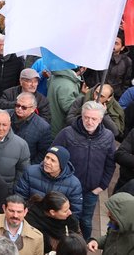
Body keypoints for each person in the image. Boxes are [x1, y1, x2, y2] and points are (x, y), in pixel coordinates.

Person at [53, 101, 116, 239]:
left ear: (100, 119)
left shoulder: (108, 136)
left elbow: (110, 163)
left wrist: (102, 186)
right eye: (86, 117)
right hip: (67, 189)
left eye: (94, 119)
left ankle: (85, 245)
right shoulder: (67, 133)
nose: (89, 121)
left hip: (91, 191)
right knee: (64, 220)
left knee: (86, 221)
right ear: (81, 116)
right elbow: (53, 157)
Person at [15, 146, 83, 215]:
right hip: (30, 215)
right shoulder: (31, 172)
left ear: (61, 164)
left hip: (56, 220)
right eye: (47, 157)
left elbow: (75, 212)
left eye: (53, 160)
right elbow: (20, 197)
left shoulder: (73, 184)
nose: (47, 162)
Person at [10, 92, 53, 164]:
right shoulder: (5, 116)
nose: (19, 109)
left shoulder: (43, 127)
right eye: (17, 105)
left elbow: (43, 152)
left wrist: (29, 166)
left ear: (33, 109)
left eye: (24, 107)